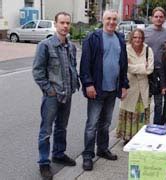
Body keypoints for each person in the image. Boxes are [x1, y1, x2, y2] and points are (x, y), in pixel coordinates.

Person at [80, 9, 129, 171]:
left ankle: (102, 149)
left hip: (112, 89)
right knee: (92, 124)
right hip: (96, 89)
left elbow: (123, 65)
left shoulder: (120, 39)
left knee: (106, 123)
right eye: (108, 19)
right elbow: (85, 64)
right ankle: (88, 155)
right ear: (102, 20)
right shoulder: (93, 38)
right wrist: (88, 84)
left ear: (118, 21)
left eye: (114, 19)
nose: (111, 22)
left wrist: (123, 85)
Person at [32, 12, 80, 180]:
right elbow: (38, 71)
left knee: (62, 127)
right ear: (56, 24)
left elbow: (72, 68)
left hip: (67, 94)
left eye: (68, 23)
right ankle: (44, 162)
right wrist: (48, 89)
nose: (65, 26)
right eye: (62, 22)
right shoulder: (45, 45)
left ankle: (58, 153)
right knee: (46, 130)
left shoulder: (71, 46)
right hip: (52, 96)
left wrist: (75, 84)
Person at [116, 29, 154, 144]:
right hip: (129, 87)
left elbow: (150, 69)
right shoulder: (125, 49)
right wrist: (142, 66)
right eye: (135, 37)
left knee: (142, 112)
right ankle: (127, 137)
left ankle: (141, 137)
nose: (137, 40)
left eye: (140, 38)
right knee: (128, 112)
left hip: (143, 87)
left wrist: (133, 66)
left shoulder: (148, 50)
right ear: (131, 38)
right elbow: (124, 67)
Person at [144, 7, 166, 125]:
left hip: (161, 72)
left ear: (164, 18)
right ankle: (143, 128)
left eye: (161, 17)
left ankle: (157, 127)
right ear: (152, 18)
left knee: (158, 103)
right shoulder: (145, 32)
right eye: (156, 16)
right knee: (144, 101)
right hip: (146, 71)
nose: (158, 19)